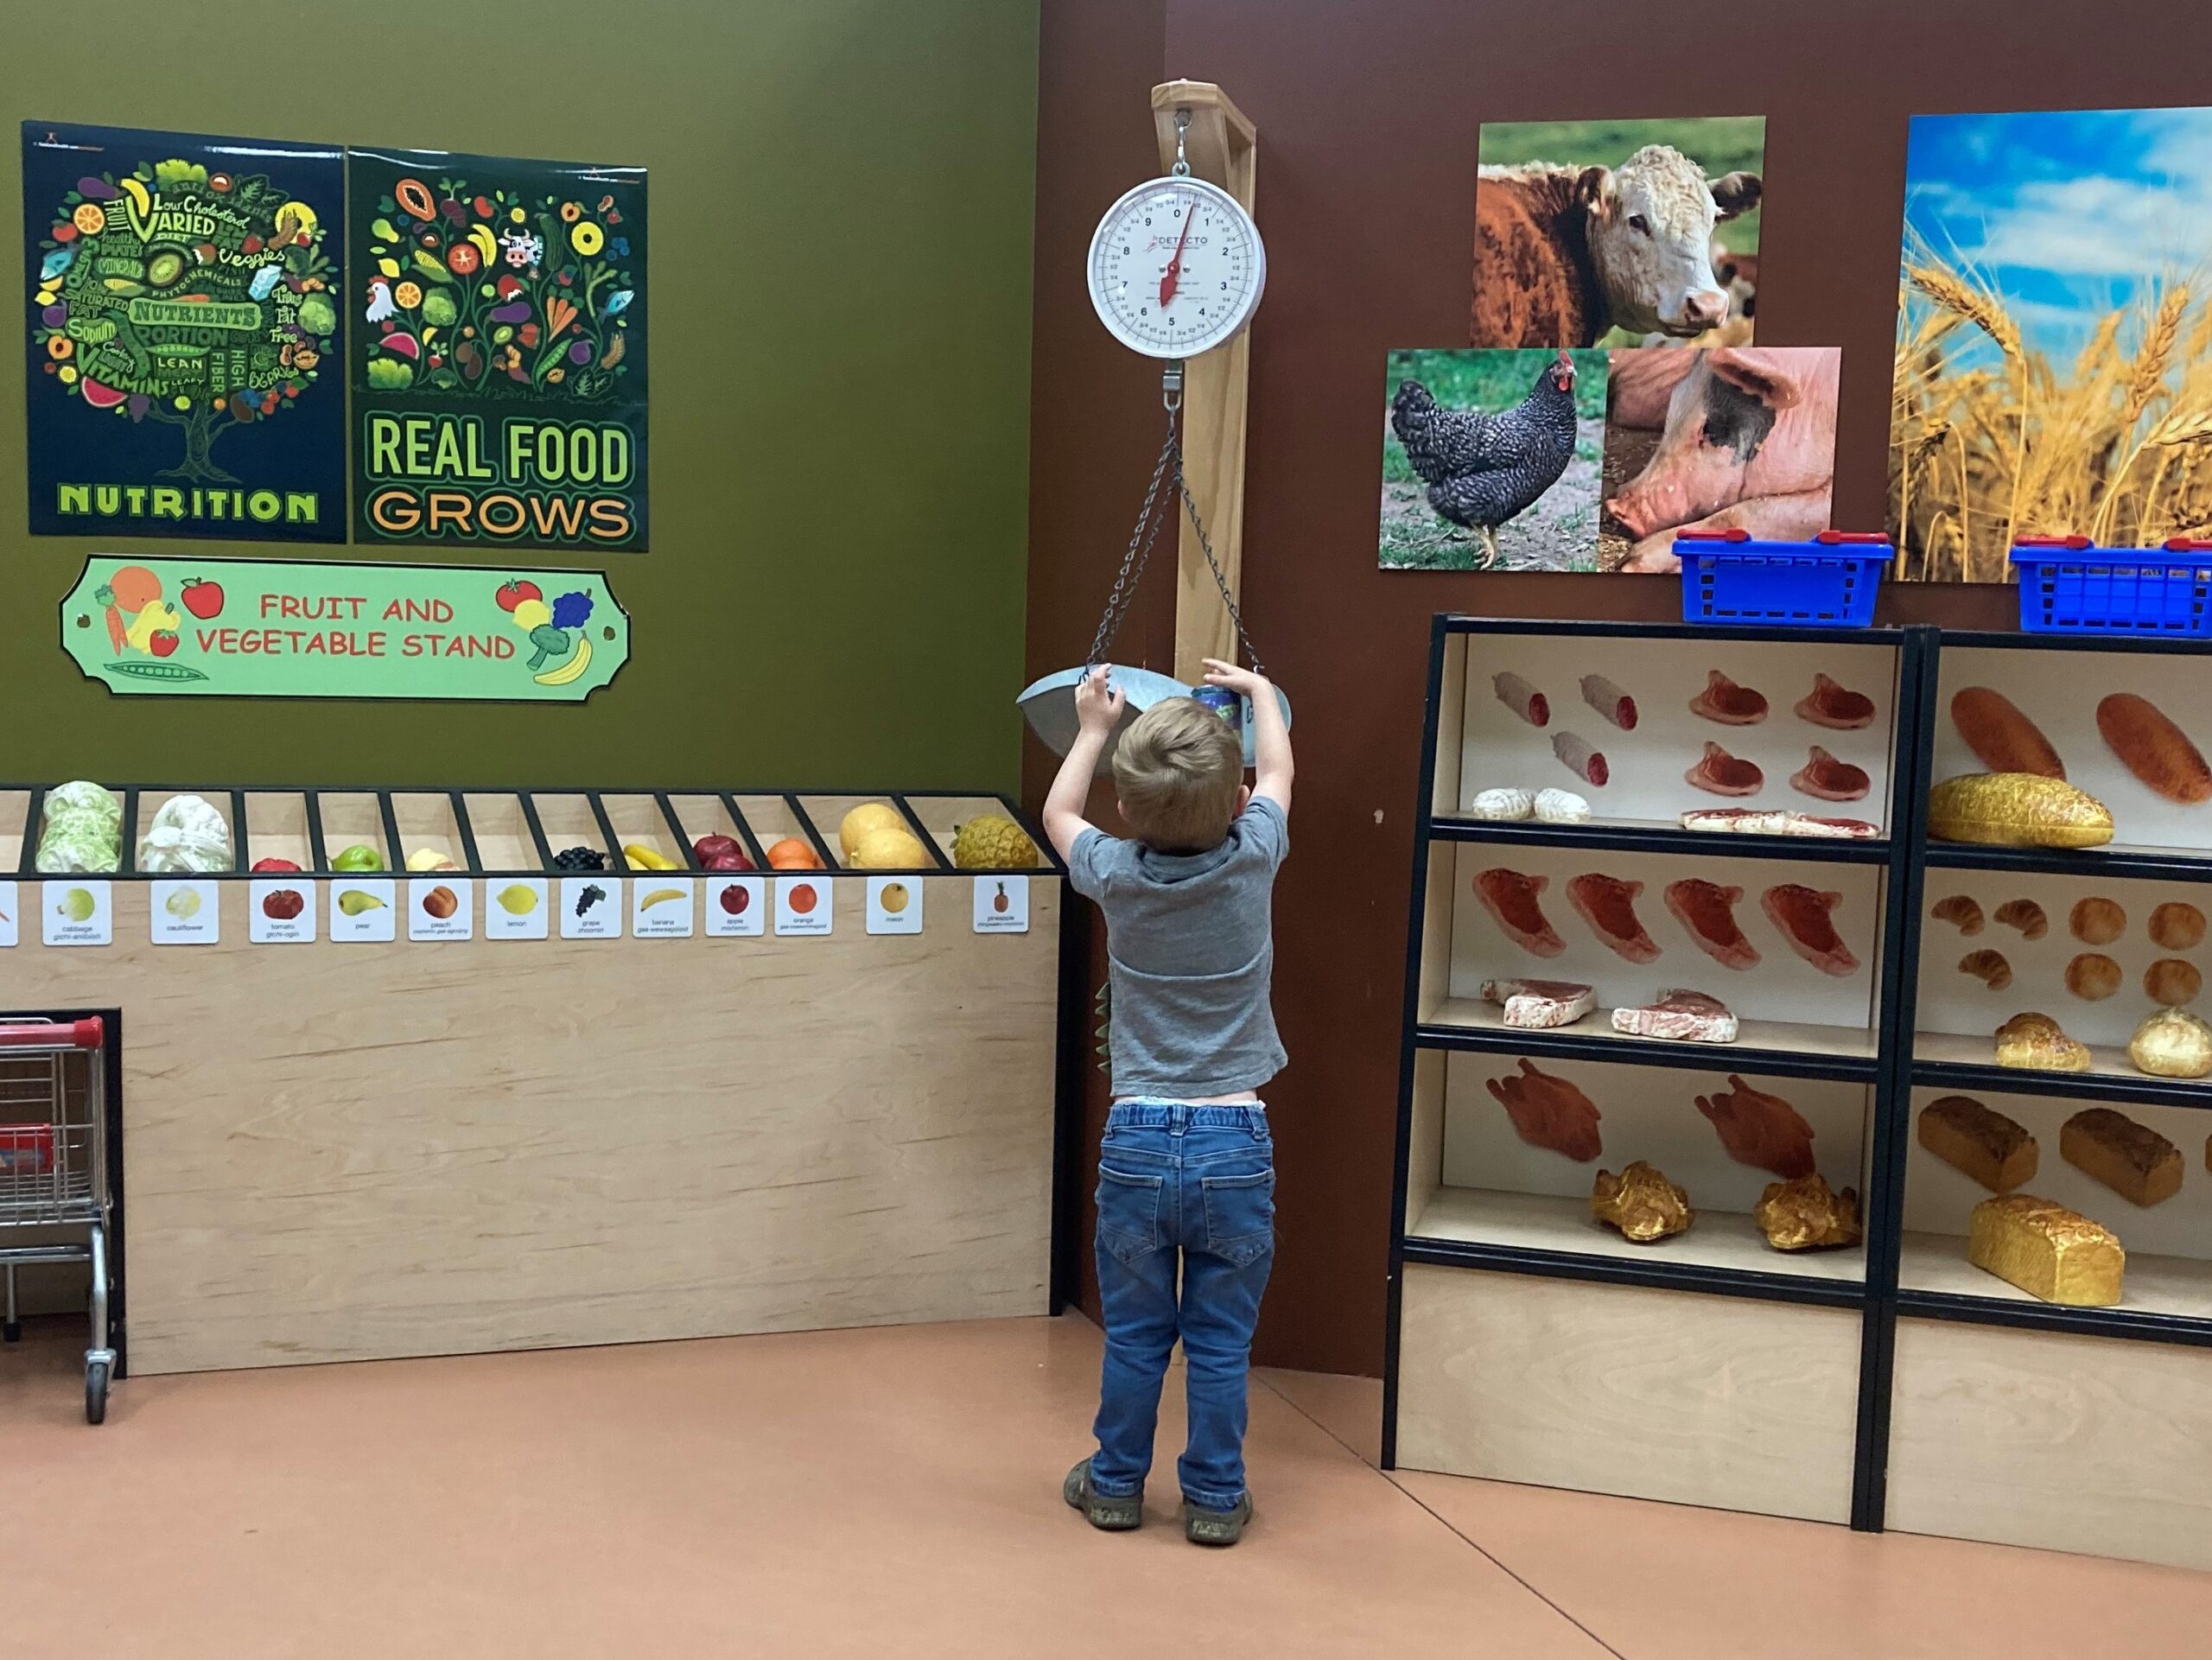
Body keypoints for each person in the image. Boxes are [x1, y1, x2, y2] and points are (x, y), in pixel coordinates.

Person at [1040, 658, 1293, 1548]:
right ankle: (1216, 1498)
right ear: (1235, 803)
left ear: (1125, 810)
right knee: (1220, 1344)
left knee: (1137, 1337)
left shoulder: (1113, 870)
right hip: (1236, 1139)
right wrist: (1262, 698)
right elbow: (1281, 775)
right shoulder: (1255, 855)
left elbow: (1055, 815)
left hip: (1138, 1137)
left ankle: (1113, 1485)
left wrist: (1095, 731)